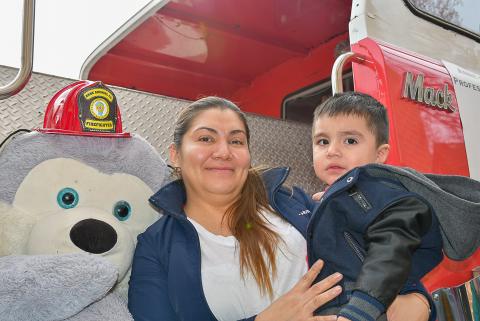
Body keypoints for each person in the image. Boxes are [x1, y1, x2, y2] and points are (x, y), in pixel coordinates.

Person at [128, 96, 434, 321]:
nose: (223, 152)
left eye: (236, 141)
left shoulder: (296, 204)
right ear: (176, 155)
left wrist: (418, 301)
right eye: (206, 138)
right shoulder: (155, 246)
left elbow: (380, 260)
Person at [308, 92, 443, 321]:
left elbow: (390, 251)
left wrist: (361, 310)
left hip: (363, 308)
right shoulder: (335, 198)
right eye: (323, 141)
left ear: (380, 154)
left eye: (350, 140)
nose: (332, 150)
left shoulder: (384, 196)